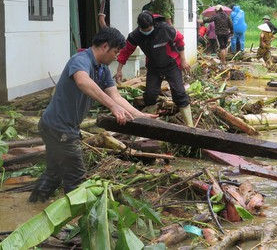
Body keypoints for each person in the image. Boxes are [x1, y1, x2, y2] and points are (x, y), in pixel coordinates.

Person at [29, 27, 158, 203]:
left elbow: (115, 96)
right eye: (115, 51)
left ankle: (34, 205)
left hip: (57, 127)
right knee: (76, 177)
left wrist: (139, 115)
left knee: (55, 172)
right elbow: (82, 81)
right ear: (105, 46)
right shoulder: (81, 59)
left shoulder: (102, 70)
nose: (116, 57)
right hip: (59, 129)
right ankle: (76, 221)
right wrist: (113, 107)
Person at [115, 11, 193, 127]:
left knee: (179, 93)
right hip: (153, 67)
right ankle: (151, 125)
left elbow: (179, 41)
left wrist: (183, 60)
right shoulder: (135, 35)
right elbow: (126, 51)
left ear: (153, 24)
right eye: (144, 30)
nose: (146, 32)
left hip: (172, 64)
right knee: (150, 95)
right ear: (139, 26)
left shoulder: (165, 28)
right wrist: (119, 70)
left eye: (148, 29)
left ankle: (190, 127)